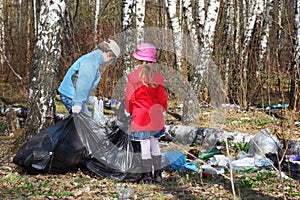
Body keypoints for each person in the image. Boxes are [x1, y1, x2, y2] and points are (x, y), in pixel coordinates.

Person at [124, 43, 168, 184]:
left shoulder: (132, 77)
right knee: (155, 144)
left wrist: (130, 110)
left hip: (140, 116)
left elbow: (129, 98)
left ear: (138, 59)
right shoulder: (158, 77)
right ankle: (158, 174)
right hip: (155, 116)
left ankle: (147, 176)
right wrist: (163, 108)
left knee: (144, 146)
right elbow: (162, 98)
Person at [58, 39, 120, 115]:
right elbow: (81, 82)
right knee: (83, 122)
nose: (108, 62)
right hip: (71, 96)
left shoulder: (94, 59)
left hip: (74, 96)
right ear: (108, 53)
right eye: (110, 59)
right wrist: (78, 103)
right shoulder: (92, 62)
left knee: (86, 121)